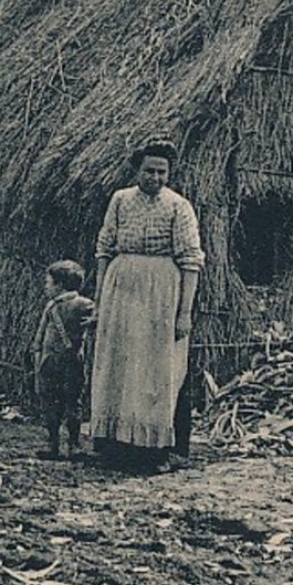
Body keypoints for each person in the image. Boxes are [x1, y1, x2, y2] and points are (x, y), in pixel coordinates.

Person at [88, 137, 204, 473]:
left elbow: (190, 262)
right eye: (149, 170)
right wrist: (100, 300)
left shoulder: (179, 206)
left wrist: (184, 312)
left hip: (161, 294)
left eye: (161, 172)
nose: (155, 178)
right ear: (137, 170)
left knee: (157, 370)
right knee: (119, 364)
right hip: (121, 291)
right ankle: (115, 446)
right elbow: (104, 250)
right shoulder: (120, 201)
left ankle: (157, 451)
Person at [30, 260, 96, 461]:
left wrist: (37, 353)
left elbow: (40, 334)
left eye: (49, 283)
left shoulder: (59, 306)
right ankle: (72, 445)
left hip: (52, 361)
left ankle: (55, 444)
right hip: (72, 361)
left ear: (59, 285)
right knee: (72, 402)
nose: (46, 287)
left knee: (52, 402)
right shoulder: (86, 304)